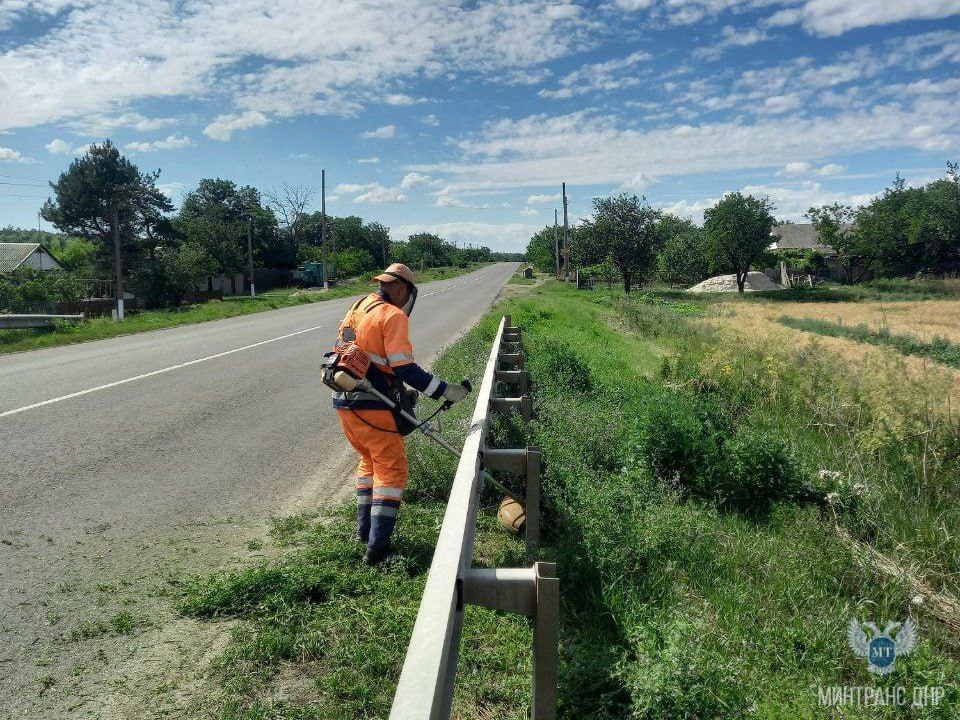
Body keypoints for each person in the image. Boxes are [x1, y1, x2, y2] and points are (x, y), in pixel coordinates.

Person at [332, 263, 468, 565]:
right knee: (391, 472)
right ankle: (377, 548)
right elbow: (403, 366)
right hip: (373, 403)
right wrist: (444, 390)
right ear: (404, 289)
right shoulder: (392, 315)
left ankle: (363, 533)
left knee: (369, 464)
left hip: (345, 400)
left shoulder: (359, 305)